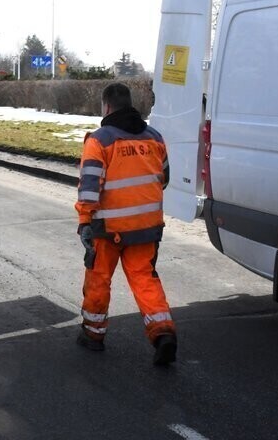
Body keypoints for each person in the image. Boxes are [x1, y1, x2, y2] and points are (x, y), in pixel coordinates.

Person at [75, 82, 177, 366]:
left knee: (99, 279)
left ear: (106, 107)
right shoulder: (155, 138)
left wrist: (85, 222)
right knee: (145, 279)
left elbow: (89, 189)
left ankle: (93, 335)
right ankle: (163, 332)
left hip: (108, 230)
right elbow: (164, 179)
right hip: (146, 227)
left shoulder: (99, 141)